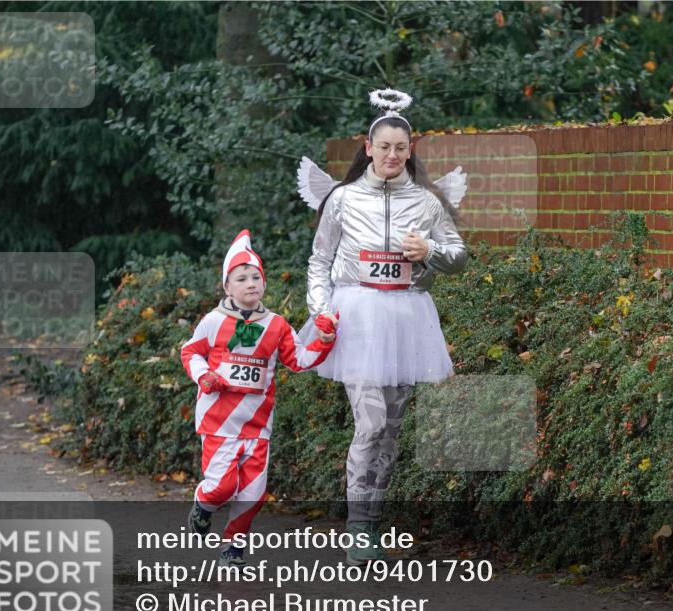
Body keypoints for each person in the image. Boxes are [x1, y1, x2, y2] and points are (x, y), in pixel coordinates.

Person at [300, 89, 468, 565]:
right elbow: (319, 262)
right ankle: (357, 527)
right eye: (384, 147)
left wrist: (429, 252)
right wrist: (321, 311)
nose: (392, 155)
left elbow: (459, 257)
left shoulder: (428, 203)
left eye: (400, 147)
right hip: (356, 319)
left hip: (406, 320)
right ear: (368, 148)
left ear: (410, 150)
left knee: (390, 430)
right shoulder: (342, 199)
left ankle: (370, 523)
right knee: (370, 423)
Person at [181, 229, 338, 566]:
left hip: (258, 423)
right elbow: (190, 352)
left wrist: (324, 340)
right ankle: (203, 505)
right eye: (241, 278)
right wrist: (204, 375)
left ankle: (233, 548)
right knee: (221, 488)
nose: (250, 283)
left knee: (253, 494)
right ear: (227, 287)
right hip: (219, 422)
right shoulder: (212, 321)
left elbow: (299, 359)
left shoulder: (277, 325)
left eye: (256, 277)